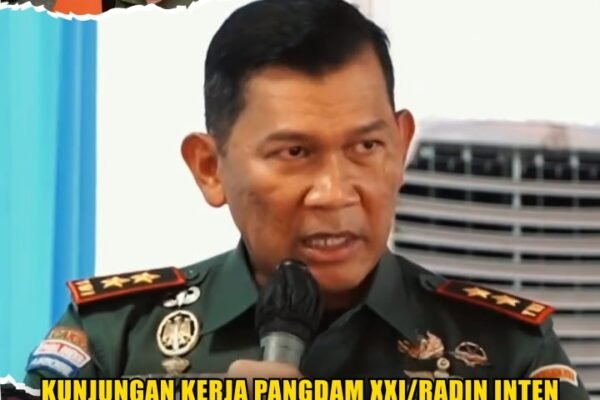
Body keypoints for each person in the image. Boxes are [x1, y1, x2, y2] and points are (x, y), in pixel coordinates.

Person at [24, 0, 589, 397]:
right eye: (295, 153)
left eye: (366, 147)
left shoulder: (508, 355)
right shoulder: (116, 341)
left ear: (400, 147)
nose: (335, 193)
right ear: (210, 168)